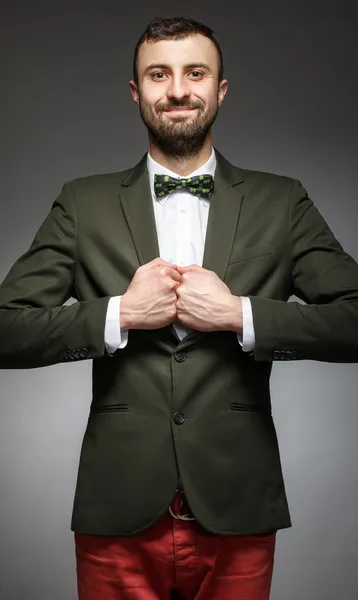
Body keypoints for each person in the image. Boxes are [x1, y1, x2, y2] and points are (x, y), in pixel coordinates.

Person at [0, 14, 358, 600]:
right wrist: (118, 314)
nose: (177, 90)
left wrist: (240, 314)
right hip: (117, 510)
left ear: (219, 90)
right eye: (158, 74)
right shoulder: (81, 202)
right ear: (136, 92)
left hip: (237, 505)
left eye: (195, 73)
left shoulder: (282, 201)